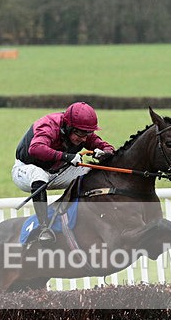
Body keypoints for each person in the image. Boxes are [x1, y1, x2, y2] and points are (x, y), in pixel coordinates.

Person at [13, 102, 115, 243]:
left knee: (91, 173)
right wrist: (67, 156)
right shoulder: (49, 125)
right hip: (26, 169)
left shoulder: (82, 131)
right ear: (68, 127)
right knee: (39, 175)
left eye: (88, 134)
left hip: (57, 171)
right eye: (80, 134)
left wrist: (104, 153)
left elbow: (107, 147)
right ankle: (44, 229)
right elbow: (35, 148)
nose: (84, 139)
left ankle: (89, 216)